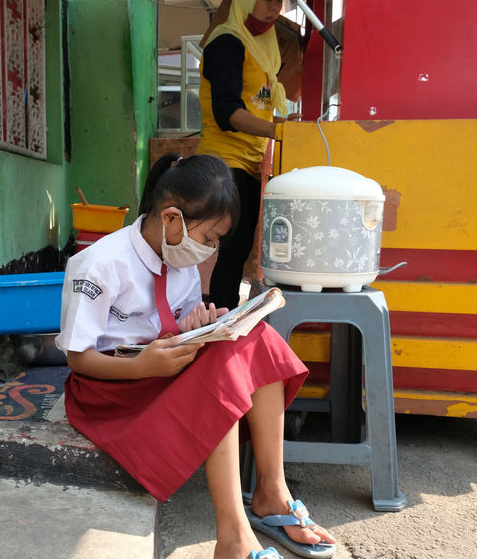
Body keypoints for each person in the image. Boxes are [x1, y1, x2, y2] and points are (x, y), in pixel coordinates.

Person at [56, 153, 337, 559]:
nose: (211, 249)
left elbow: (174, 325)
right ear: (172, 219)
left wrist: (198, 326)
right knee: (217, 368)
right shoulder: (98, 263)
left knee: (260, 339)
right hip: (110, 389)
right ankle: (233, 539)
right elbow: (78, 360)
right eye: (208, 238)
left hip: (160, 369)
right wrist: (140, 366)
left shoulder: (178, 259)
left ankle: (273, 493)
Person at [196, 0, 288, 309]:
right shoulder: (226, 43)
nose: (275, 7)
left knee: (238, 252)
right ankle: (216, 324)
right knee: (226, 250)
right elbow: (227, 112)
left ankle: (223, 321)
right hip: (223, 165)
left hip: (248, 166)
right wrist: (278, 131)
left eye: (280, 1)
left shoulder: (262, 51)